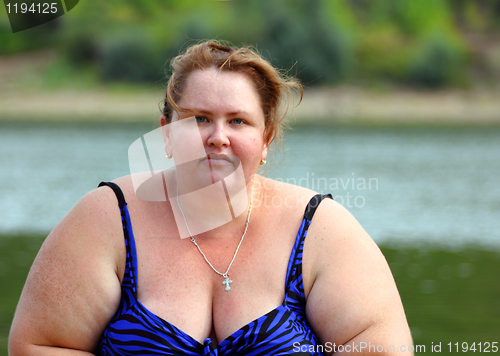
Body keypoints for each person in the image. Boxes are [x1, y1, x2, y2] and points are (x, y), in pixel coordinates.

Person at [9, 40, 412, 355]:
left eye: (238, 121)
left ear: (266, 138)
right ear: (165, 133)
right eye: (199, 118)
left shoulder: (321, 228)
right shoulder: (107, 217)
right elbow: (38, 346)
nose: (218, 137)